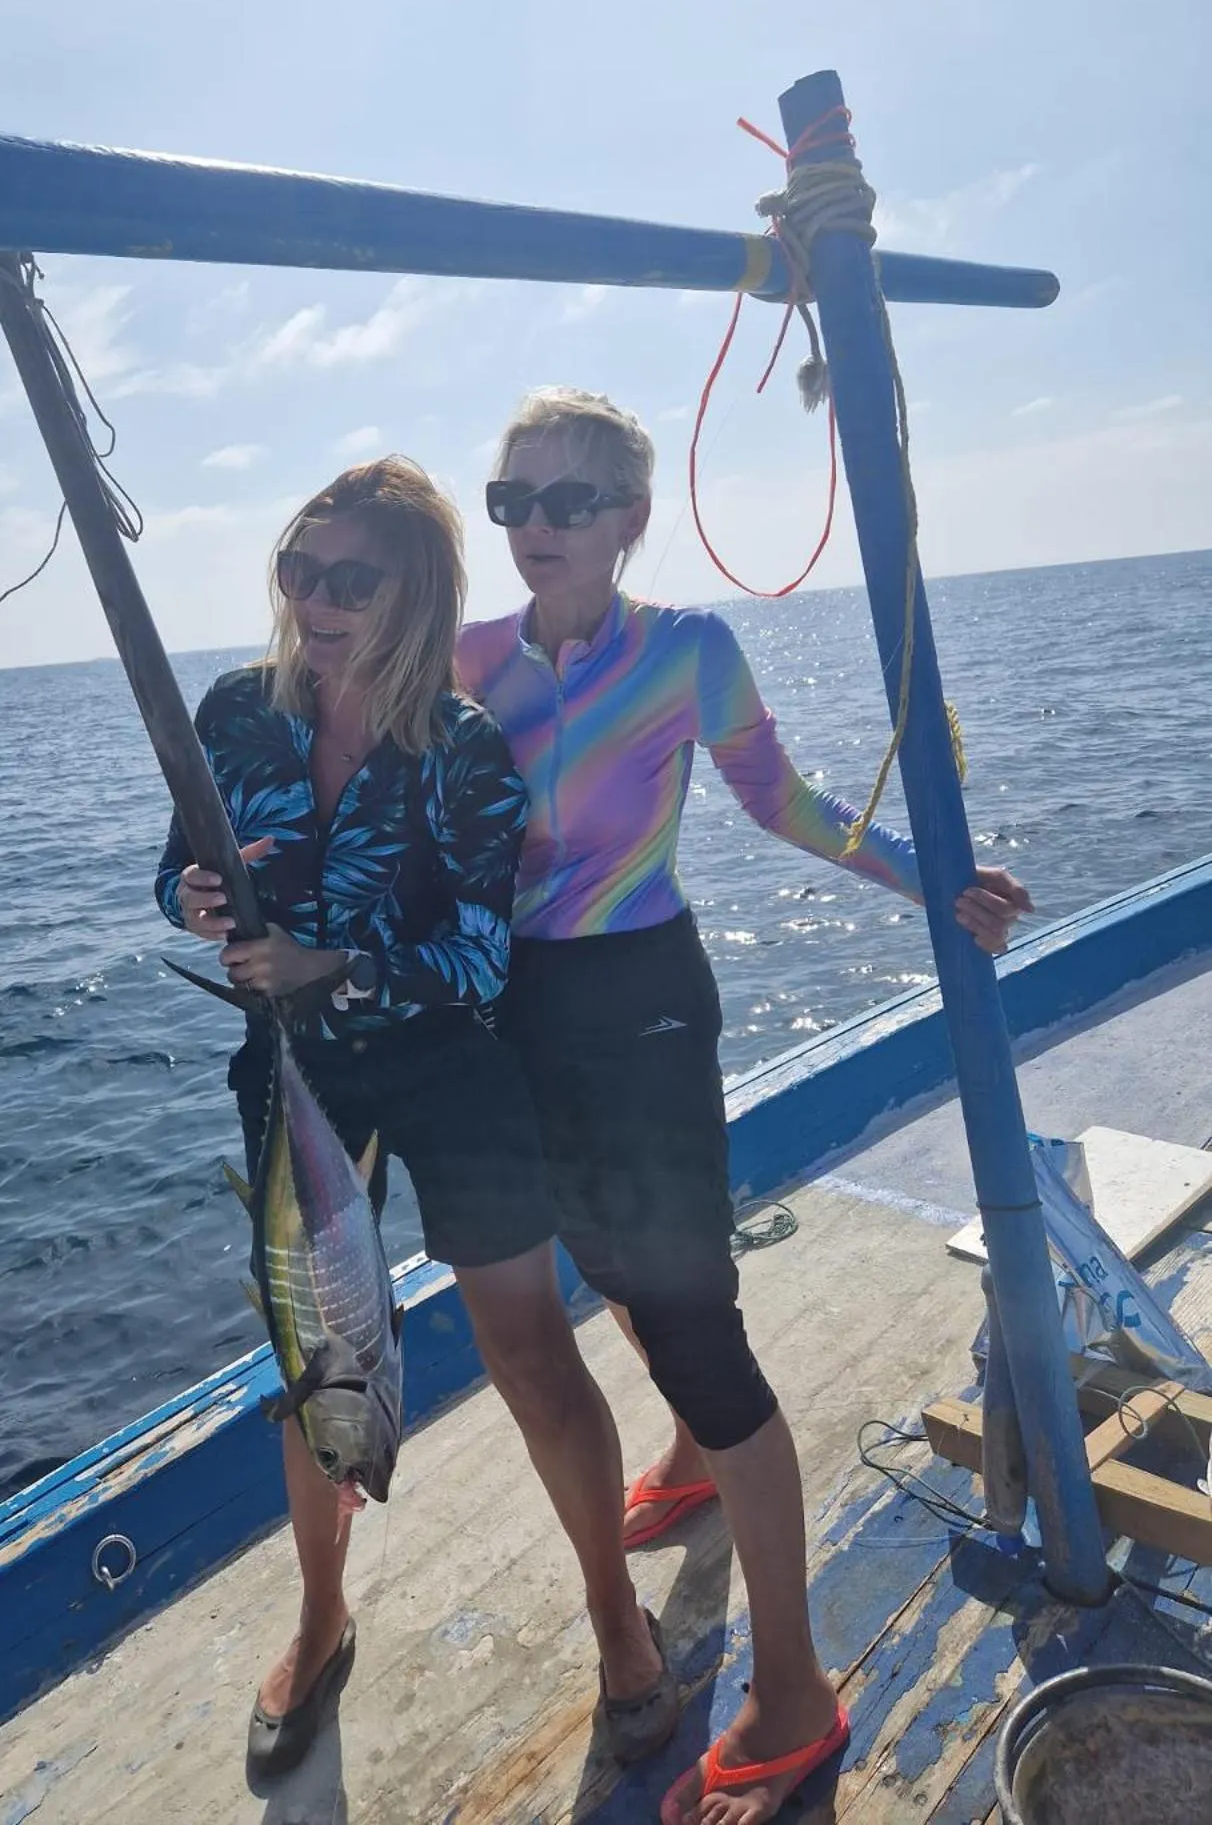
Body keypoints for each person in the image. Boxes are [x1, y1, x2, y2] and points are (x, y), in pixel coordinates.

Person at [456, 389, 1032, 1825]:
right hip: (516, 1010)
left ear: (630, 519)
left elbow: (784, 803)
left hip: (641, 1002)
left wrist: (931, 880)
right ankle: (687, 1460)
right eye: (513, 500)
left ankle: (793, 1688)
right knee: (612, 1269)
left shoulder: (687, 652)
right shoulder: (466, 661)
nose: (535, 525)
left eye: (569, 500)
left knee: (695, 1322)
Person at [155, 456, 680, 1780]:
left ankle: (616, 1615)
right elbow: (177, 870)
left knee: (529, 1351)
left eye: (352, 580)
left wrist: (335, 964)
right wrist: (197, 903)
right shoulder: (235, 713)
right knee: (315, 1369)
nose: (318, 601)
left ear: (417, 595)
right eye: (301, 570)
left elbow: (481, 960)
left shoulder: (461, 747)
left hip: (449, 1069)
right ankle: (322, 1618)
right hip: (298, 1075)